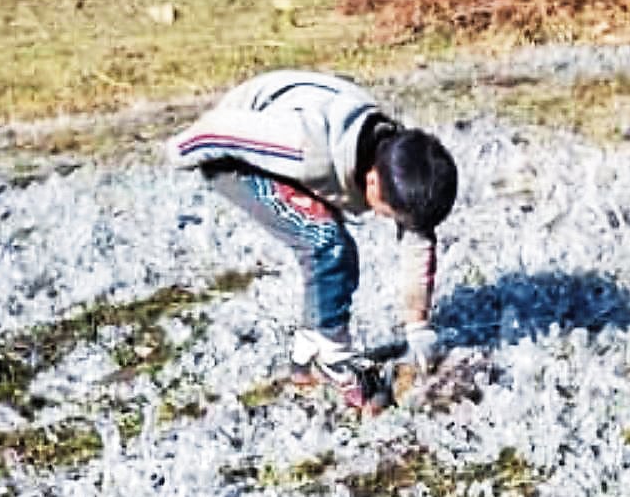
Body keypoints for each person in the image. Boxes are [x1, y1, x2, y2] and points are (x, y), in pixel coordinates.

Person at [167, 70, 458, 410]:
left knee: (330, 249)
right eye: (390, 214)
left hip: (305, 137)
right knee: (326, 242)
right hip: (235, 153)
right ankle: (334, 359)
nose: (388, 220)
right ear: (374, 183)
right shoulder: (304, 147)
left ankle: (305, 359)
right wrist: (177, 150)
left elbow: (418, 238)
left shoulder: (401, 157)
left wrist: (418, 327)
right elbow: (216, 130)